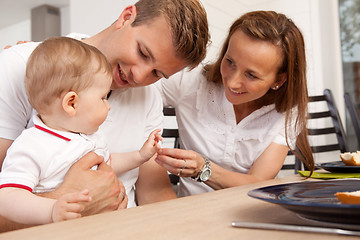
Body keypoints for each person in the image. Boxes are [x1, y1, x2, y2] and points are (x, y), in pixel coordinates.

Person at [0, 0, 209, 231]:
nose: (139, 77)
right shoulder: (18, 68)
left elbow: (154, 192)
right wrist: (66, 202)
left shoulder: (149, 97)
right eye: (142, 52)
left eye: (157, 73)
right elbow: (8, 196)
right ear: (126, 17)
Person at [0, 37, 163, 225]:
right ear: (72, 103)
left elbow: (108, 162)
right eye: (103, 98)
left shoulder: (89, 138)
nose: (108, 106)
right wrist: (51, 209)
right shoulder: (32, 146)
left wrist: (140, 155)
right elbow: (7, 196)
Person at [156, 11, 314, 197]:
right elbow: (134, 95)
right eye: (230, 61)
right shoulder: (190, 82)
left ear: (279, 80)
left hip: (249, 213)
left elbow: (258, 183)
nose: (232, 82)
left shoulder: (289, 113)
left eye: (251, 75)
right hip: (191, 213)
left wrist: (203, 169)